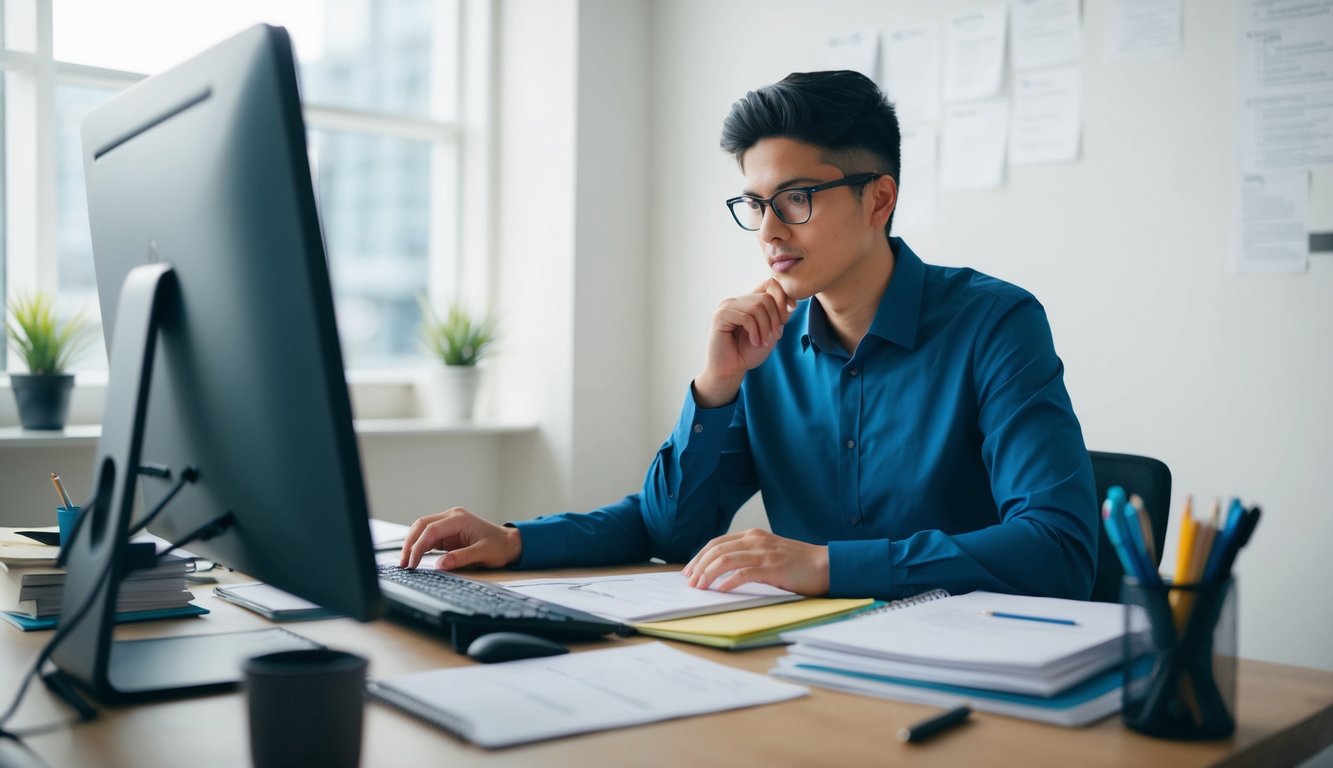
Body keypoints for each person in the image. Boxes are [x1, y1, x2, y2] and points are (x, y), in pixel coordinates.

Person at [401, 70, 1098, 600]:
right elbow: (668, 530)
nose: (767, 231)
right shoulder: (764, 344)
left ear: (878, 199)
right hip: (801, 664)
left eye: (795, 199)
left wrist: (823, 565)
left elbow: (1057, 547)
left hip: (971, 669)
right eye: (755, 204)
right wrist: (716, 387)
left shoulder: (994, 322)